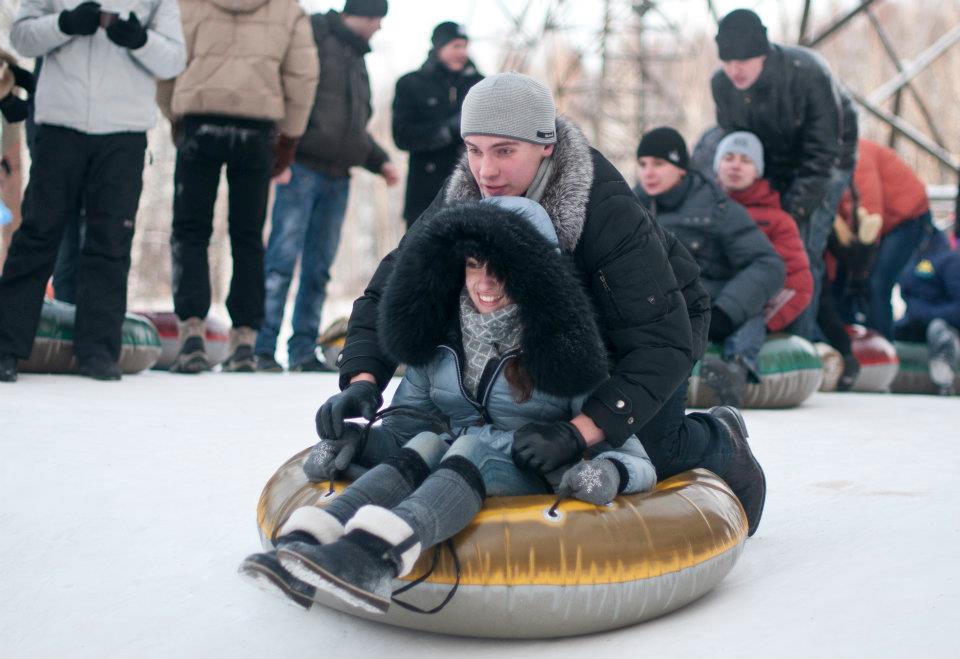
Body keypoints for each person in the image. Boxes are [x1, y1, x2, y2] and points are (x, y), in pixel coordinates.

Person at [327, 73, 768, 538]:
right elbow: (396, 286)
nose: (486, 171)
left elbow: (661, 341)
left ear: (546, 147)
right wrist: (363, 378)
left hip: (649, 323)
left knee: (639, 442)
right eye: (474, 150)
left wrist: (580, 431)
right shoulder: (465, 193)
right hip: (548, 321)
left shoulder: (604, 207)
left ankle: (719, 438)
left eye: (503, 151)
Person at [239, 198, 658, 611]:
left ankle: (376, 558)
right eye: (475, 265)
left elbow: (637, 461)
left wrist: (592, 464)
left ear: (535, 274)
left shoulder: (572, 351)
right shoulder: (443, 338)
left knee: (471, 448)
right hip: (450, 470)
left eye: (502, 269)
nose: (486, 283)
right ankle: (311, 542)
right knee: (425, 444)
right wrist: (356, 440)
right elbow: (407, 432)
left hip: (532, 479)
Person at [0, 0, 186, 383]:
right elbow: (22, 37)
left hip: (124, 129)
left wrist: (139, 39)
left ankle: (99, 351)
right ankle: (5, 346)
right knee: (38, 233)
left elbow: (173, 59)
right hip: (59, 122)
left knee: (111, 240)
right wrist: (65, 23)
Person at [158, 0, 320, 373]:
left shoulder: (186, 4)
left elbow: (167, 63)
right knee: (247, 236)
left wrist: (175, 113)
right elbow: (302, 75)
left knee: (190, 230)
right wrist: (290, 137)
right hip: (257, 129)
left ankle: (191, 334)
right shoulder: (287, 9)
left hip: (200, 121)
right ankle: (245, 339)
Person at [254, 0, 399, 373]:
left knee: (319, 267)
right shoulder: (315, 39)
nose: (379, 29)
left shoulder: (356, 58)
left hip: (338, 176)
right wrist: (280, 157)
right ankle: (262, 346)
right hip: (301, 168)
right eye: (376, 20)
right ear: (360, 15)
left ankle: (303, 350)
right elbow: (289, 97)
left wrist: (379, 159)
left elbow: (350, 128)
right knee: (281, 261)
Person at [711, 8, 858, 341]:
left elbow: (823, 153)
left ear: (762, 54)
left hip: (828, 158)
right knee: (752, 238)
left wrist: (792, 213)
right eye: (727, 61)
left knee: (803, 245)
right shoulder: (721, 84)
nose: (734, 70)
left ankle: (799, 341)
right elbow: (736, 140)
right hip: (770, 160)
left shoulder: (807, 73)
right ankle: (754, 328)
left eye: (743, 61)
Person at [633, 127, 785, 407]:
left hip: (705, 302)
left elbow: (768, 264)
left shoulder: (716, 209)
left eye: (659, 164)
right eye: (643, 165)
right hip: (651, 308)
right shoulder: (629, 206)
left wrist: (725, 312)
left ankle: (734, 367)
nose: (649, 172)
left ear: (680, 168)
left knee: (750, 311)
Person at [714, 131, 813, 333]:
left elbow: (798, 283)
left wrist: (762, 322)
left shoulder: (778, 222)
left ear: (757, 171)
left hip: (748, 314)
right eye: (728, 157)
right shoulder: (699, 210)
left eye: (746, 160)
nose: (735, 165)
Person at [833, 138, 932, 340]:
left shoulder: (857, 156)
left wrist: (860, 265)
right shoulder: (827, 168)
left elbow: (871, 212)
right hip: (875, 223)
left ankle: (881, 346)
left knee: (877, 283)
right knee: (844, 280)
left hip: (907, 218)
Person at [392, 21, 483, 228]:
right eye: (455, 46)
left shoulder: (481, 85)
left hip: (473, 190)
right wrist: (447, 130)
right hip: (425, 195)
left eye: (464, 46)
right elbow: (402, 135)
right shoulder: (410, 84)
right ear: (439, 47)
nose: (462, 52)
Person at [896, 230, 960, 394]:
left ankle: (945, 366)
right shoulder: (912, 257)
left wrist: (926, 314)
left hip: (944, 323)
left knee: (937, 328)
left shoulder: (950, 261)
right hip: (915, 322)